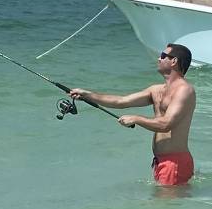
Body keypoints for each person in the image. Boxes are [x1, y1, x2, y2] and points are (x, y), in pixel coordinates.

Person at [70, 43, 197, 186]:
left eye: (163, 56)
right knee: (164, 207)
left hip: (174, 163)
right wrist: (87, 95)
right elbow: (120, 101)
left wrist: (136, 118)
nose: (158, 59)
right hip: (161, 162)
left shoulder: (184, 91)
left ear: (174, 61)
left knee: (163, 207)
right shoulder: (156, 90)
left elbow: (166, 124)